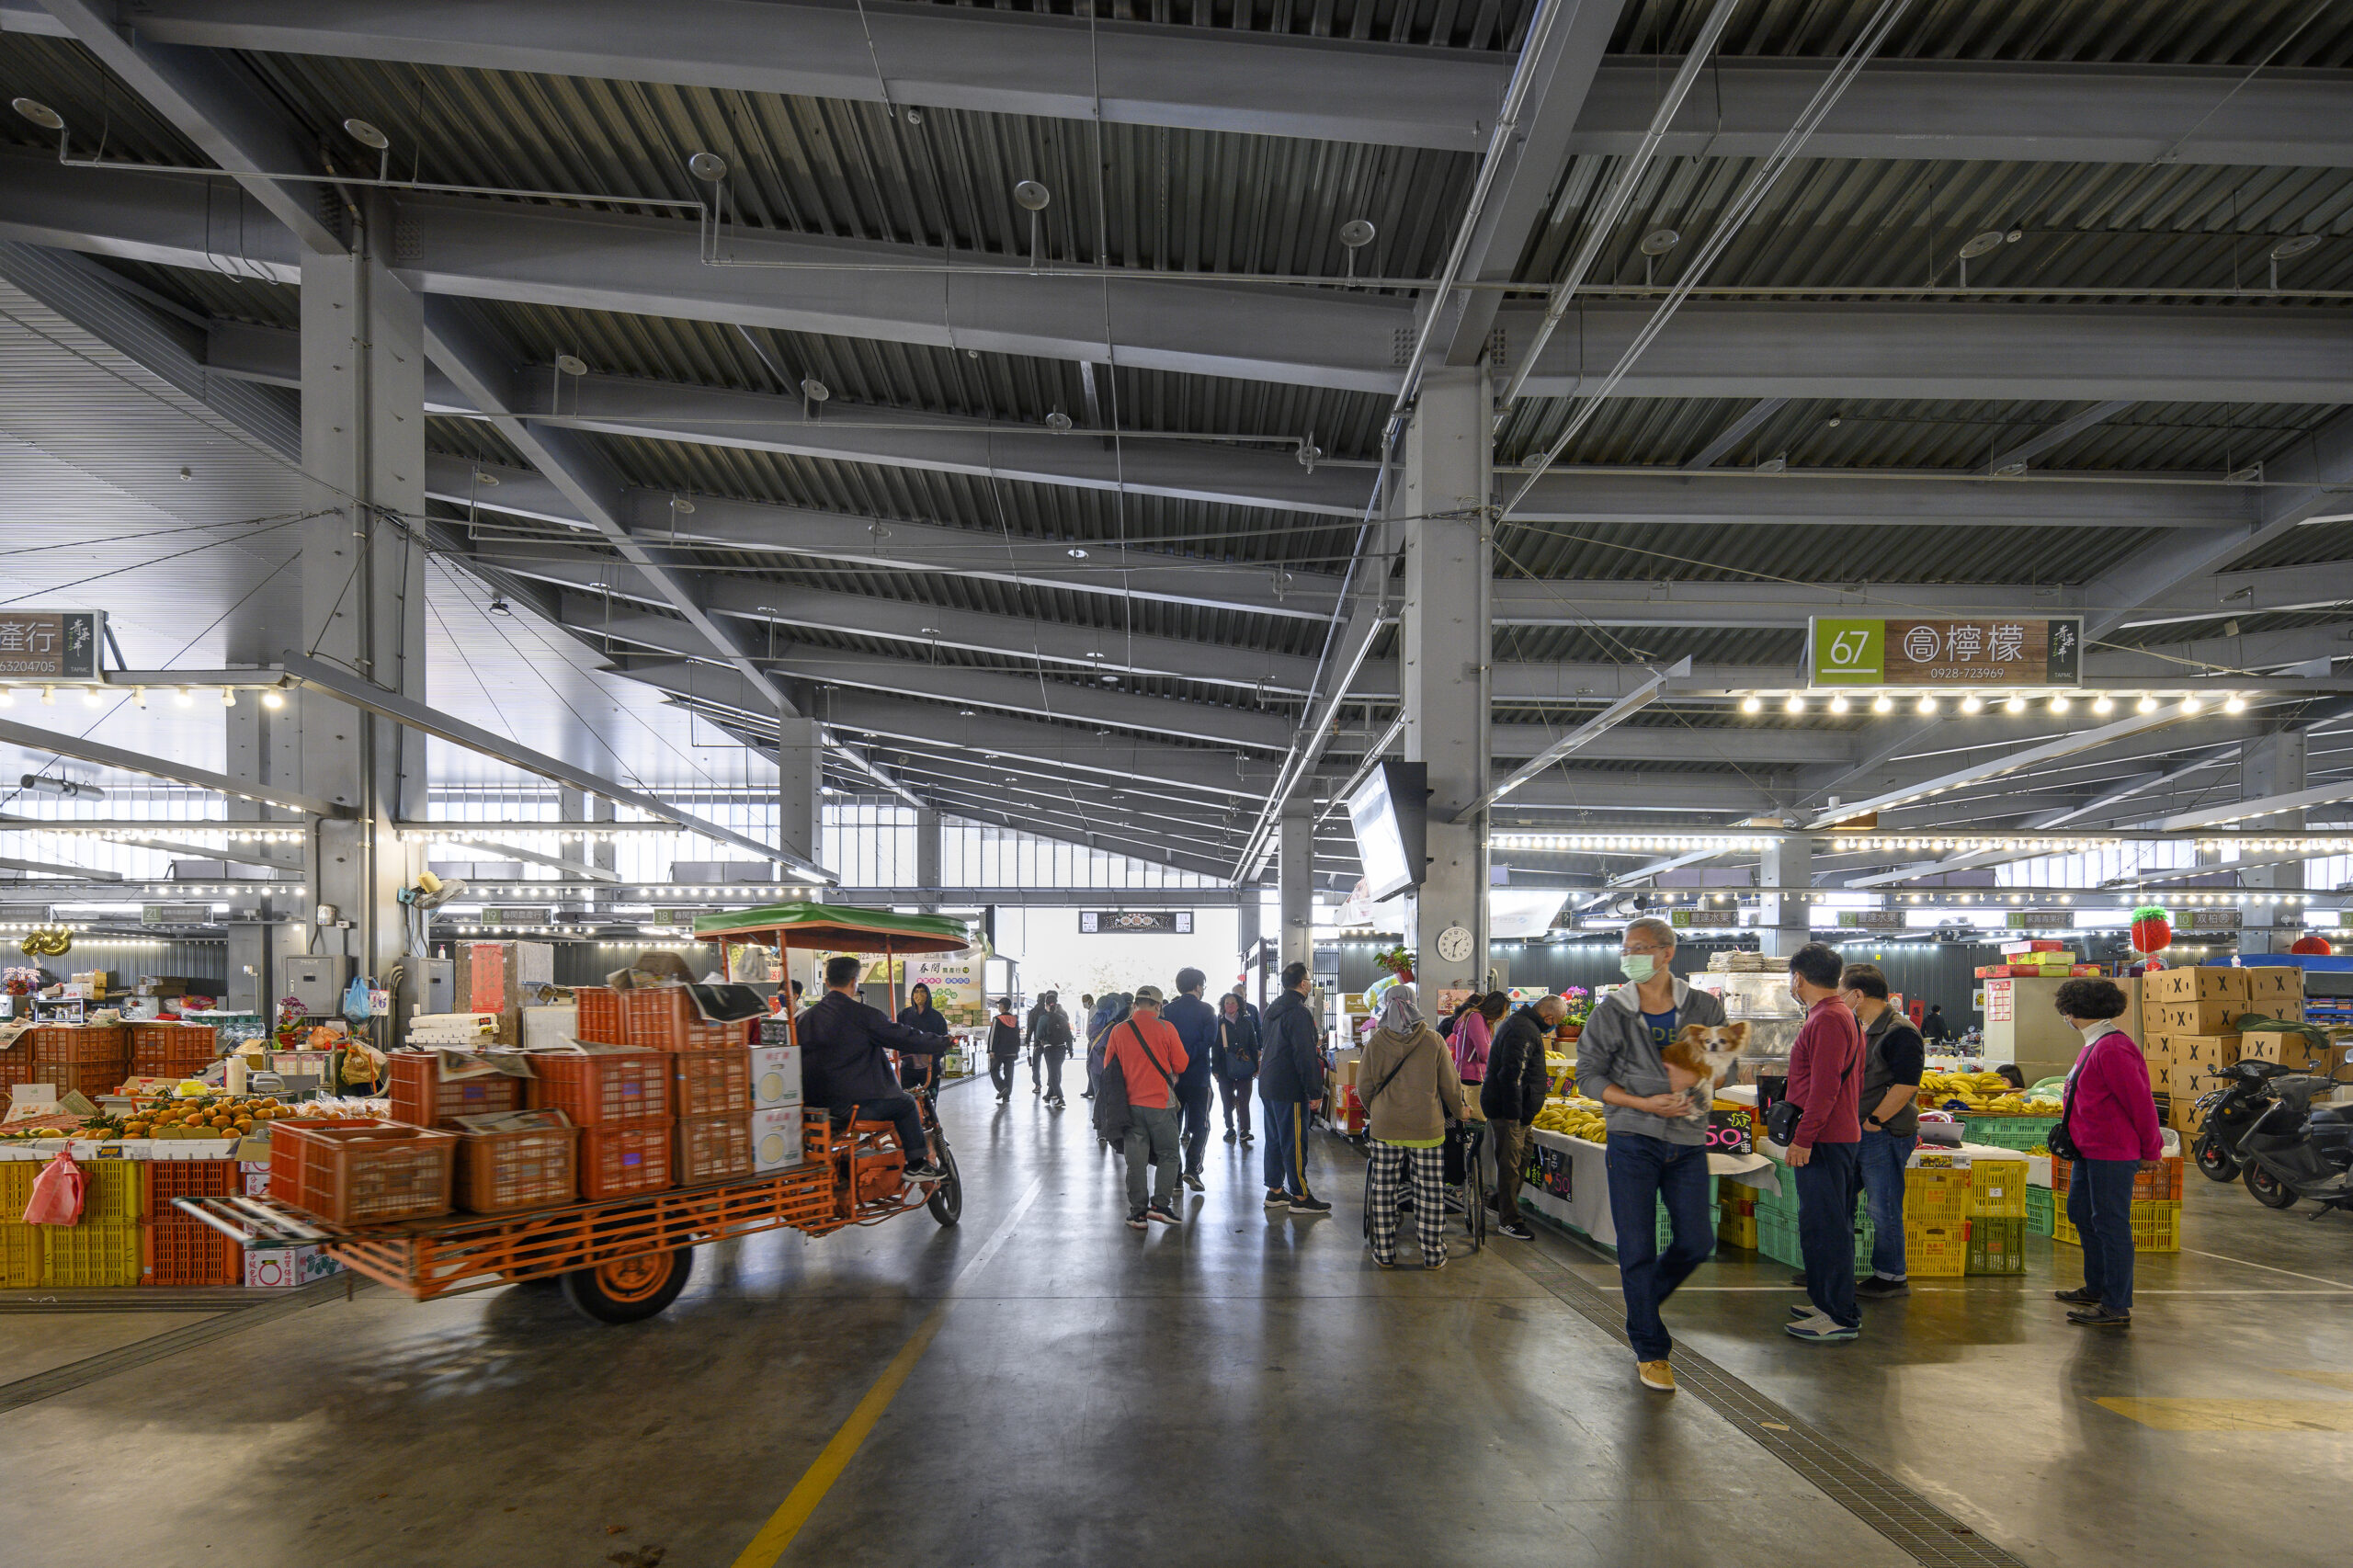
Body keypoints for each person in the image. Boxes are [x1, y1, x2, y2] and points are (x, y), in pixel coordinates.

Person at [1577, 917, 1731, 1392]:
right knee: (1637, 1246)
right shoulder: (1611, 1012)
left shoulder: (1704, 1006)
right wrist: (1642, 1102)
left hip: (1688, 1139)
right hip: (1632, 1140)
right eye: (1626, 949)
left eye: (1640, 948)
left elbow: (1724, 1066)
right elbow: (1588, 1077)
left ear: (1667, 953)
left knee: (1697, 1240)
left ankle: (1641, 1303)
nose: (1630, 956)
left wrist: (1699, 1073)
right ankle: (1651, 1348)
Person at [2052, 977, 2163, 1327]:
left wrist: (2152, 1149)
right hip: (2089, 1149)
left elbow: (2140, 1102)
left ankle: (2115, 1304)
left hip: (2111, 1152)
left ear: (2072, 1011)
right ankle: (2096, 1287)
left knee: (2111, 1224)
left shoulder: (2112, 1048)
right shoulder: (2095, 1043)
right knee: (2082, 1214)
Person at [797, 954, 949, 1181]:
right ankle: (917, 1164)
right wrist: (943, 1042)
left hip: (814, 1104)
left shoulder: (804, 1019)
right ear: (854, 981)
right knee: (906, 1103)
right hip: (852, 1106)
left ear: (827, 982)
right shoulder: (864, 1015)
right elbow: (905, 1037)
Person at [1781, 943, 1867, 1344]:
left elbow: (1825, 1087)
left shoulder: (1829, 1018)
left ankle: (1839, 1315)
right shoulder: (1835, 1014)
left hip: (1826, 1139)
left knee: (1827, 1227)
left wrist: (1804, 1138)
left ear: (1798, 978)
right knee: (1824, 1224)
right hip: (1832, 1137)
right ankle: (1828, 1301)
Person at [1359, 983, 1469, 1271]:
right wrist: (1461, 1111)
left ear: (1386, 1005)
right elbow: (1450, 1086)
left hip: (1385, 1128)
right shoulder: (1433, 1040)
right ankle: (1433, 1254)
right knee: (1430, 1192)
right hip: (1427, 1128)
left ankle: (1384, 1253)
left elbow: (1364, 1087)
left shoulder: (1376, 1042)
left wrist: (1378, 1111)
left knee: (1383, 1190)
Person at [1839, 963, 1923, 1300]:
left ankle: (1891, 1276)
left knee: (1882, 1206)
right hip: (1858, 1132)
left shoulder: (1899, 1032)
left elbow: (1906, 1085)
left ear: (1857, 994)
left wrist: (1874, 1121)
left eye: (1841, 993)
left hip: (1883, 1133)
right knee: (1843, 1199)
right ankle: (1837, 1268)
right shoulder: (1862, 1027)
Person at [1105, 984, 1188, 1229]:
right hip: (1160, 1103)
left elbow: (1109, 1066)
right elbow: (1181, 1064)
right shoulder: (1166, 1028)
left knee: (1136, 1161)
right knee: (1169, 1154)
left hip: (1130, 1105)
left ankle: (1138, 1214)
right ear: (1158, 1006)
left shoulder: (1119, 1030)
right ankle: (1160, 1206)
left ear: (1135, 1005)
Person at [1483, 994, 1565, 1243]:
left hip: (1519, 1112)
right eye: (1556, 1022)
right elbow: (1512, 1075)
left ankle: (1498, 1203)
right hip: (1509, 1112)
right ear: (1548, 1017)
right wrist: (1513, 1114)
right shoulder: (1523, 1030)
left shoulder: (1523, 1025)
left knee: (1522, 1159)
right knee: (1510, 1165)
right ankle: (1509, 1221)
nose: (1554, 1028)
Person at [1257, 960, 1331, 1214]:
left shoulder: (1272, 1009)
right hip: (1289, 1086)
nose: (1310, 983)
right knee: (1295, 1142)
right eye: (1309, 979)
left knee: (1275, 1139)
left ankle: (1275, 1190)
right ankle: (1300, 1196)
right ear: (1303, 983)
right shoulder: (1299, 1013)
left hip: (1269, 1083)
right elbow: (1305, 1055)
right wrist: (1314, 1090)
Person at [1164, 968, 1220, 1192]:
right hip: (1199, 1078)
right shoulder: (1207, 1010)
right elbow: (1209, 1041)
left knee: (1172, 1128)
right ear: (1198, 986)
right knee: (1201, 1125)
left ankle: (1175, 1176)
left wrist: (1176, 1063)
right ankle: (1193, 1168)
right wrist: (1187, 1058)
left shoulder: (1167, 1011)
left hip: (1173, 1080)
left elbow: (1163, 1043)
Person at [1213, 991, 1261, 1145]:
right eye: (1227, 1003)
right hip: (1224, 1069)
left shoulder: (1247, 1023)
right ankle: (1230, 1128)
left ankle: (1245, 1131)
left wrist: (1256, 1066)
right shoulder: (1219, 1024)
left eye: (1233, 1002)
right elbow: (1215, 1048)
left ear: (1239, 1005)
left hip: (1245, 1067)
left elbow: (1253, 1045)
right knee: (1227, 1100)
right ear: (1223, 1005)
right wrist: (1215, 1069)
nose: (1230, 1005)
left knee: (1244, 1100)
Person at [896, 983, 949, 1094]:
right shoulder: (904, 1015)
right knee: (907, 1098)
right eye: (916, 992)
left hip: (930, 1066)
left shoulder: (937, 1017)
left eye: (922, 992)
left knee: (930, 1097)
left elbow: (943, 1040)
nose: (919, 995)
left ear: (928, 995)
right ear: (912, 995)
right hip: (908, 1066)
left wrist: (934, 1056)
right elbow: (897, 1036)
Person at [1026, 990, 1074, 1108]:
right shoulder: (1062, 1017)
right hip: (1061, 1048)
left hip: (1049, 1048)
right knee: (1056, 1071)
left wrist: (1039, 1041)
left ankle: (1060, 1098)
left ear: (1046, 1005)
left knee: (1052, 1074)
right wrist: (1070, 1049)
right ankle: (1048, 1095)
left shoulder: (1043, 1018)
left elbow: (1038, 1035)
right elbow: (1069, 1034)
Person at [1452, 991, 1506, 1087]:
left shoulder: (1478, 1019)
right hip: (1472, 1076)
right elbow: (1483, 1053)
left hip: (1472, 1075)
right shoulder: (1476, 1018)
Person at [986, 997, 1023, 1102]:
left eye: (999, 1005)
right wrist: (1017, 1050)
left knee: (994, 1070)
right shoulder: (1015, 1020)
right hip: (1011, 1051)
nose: (999, 1007)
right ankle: (1007, 1097)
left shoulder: (997, 1019)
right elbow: (1017, 1036)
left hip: (999, 1051)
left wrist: (991, 1050)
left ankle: (1002, 1088)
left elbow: (993, 1036)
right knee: (1009, 1074)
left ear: (1002, 1007)